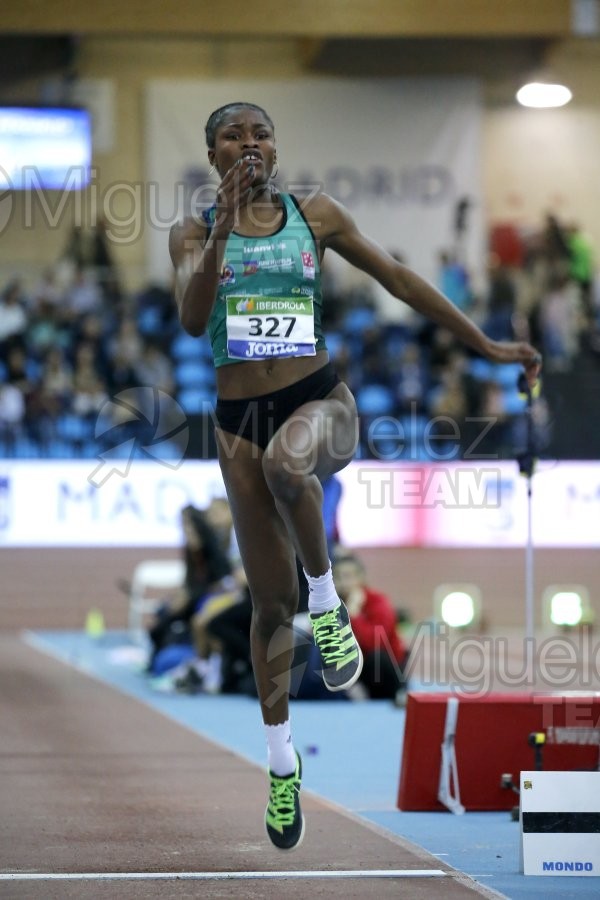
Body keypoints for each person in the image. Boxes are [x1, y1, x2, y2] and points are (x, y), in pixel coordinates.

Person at [168, 101, 542, 851]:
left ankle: (330, 606)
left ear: (277, 146)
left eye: (261, 133)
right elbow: (190, 318)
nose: (250, 144)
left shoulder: (318, 213)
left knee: (289, 464)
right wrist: (220, 231)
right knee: (268, 611)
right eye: (234, 136)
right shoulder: (191, 230)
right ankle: (281, 764)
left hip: (319, 401)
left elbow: (401, 280)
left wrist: (487, 348)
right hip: (237, 422)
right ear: (212, 156)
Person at [331, 553, 408, 701]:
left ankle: (398, 693)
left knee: (376, 657)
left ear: (361, 578)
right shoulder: (334, 605)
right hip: (354, 669)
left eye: (348, 576)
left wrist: (354, 615)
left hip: (383, 669)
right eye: (338, 577)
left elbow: (375, 643)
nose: (343, 582)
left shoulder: (379, 602)